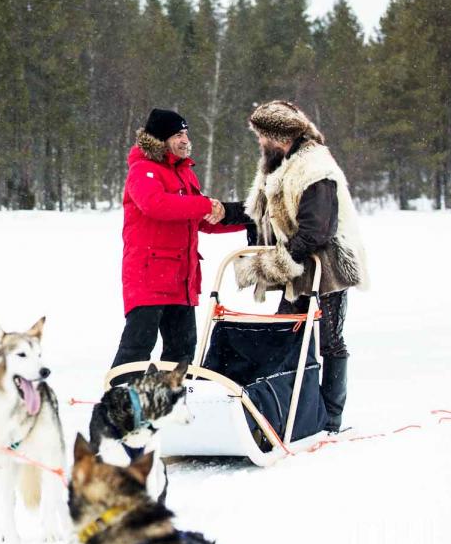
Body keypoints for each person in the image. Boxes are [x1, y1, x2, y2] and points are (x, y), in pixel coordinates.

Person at [232, 100, 368, 433]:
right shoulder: (282, 164)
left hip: (329, 266)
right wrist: (223, 211)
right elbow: (261, 212)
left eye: (262, 137)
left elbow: (317, 228)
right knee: (286, 333)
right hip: (299, 265)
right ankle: (293, 411)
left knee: (330, 340)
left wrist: (277, 261)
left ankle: (331, 417)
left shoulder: (315, 166)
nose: (260, 144)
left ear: (278, 137)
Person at [111, 108, 242, 378]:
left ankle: (170, 405)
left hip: (181, 280)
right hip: (148, 278)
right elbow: (155, 205)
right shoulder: (143, 171)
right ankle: (119, 404)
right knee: (137, 349)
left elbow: (202, 219)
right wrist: (205, 204)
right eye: (178, 135)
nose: (185, 140)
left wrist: (245, 216)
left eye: (186, 134)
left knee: (182, 353)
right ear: (160, 139)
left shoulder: (186, 174)